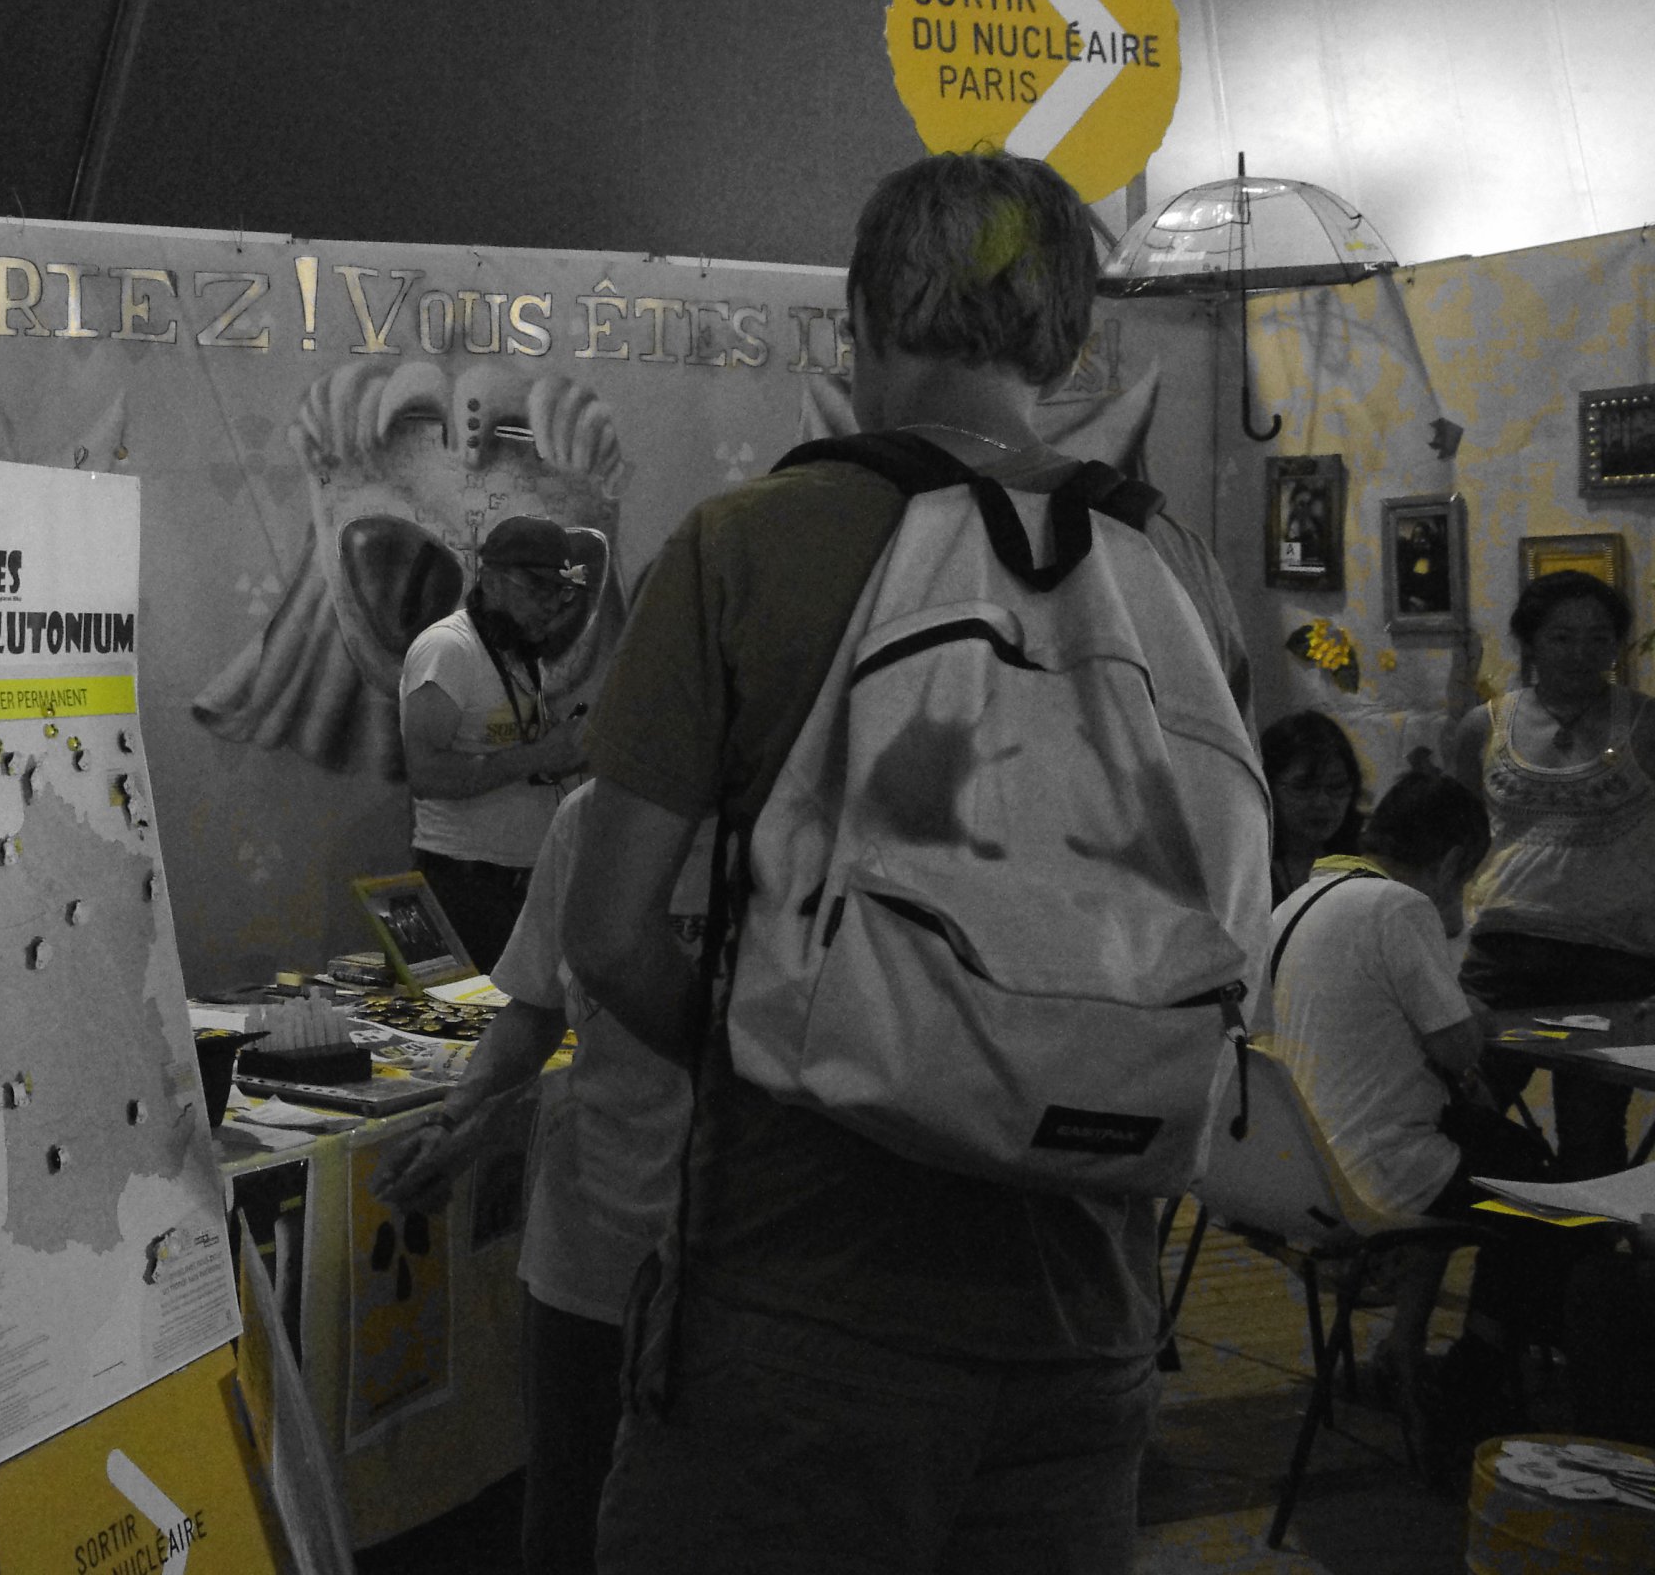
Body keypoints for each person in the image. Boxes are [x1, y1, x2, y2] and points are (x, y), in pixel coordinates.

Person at [562, 150, 1252, 1574]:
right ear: (1065, 336)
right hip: (1086, 1314)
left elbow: (611, 932)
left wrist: (791, 1043)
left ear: (863, 317)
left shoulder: (744, 546)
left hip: (802, 1306)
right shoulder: (1173, 567)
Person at [374, 786, 688, 1575]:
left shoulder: (799, 809)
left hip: (736, 1251)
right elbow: (535, 1008)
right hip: (586, 1241)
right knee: (567, 1516)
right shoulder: (589, 817)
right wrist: (457, 1118)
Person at [1252, 770, 1564, 1419]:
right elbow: (1457, 1049)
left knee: (1483, 1152)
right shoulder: (1397, 908)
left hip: (1294, 1165)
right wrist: (1472, 1012)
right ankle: (1479, 1372)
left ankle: (1407, 1346)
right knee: (1548, 1204)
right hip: (1373, 1170)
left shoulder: (1302, 900)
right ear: (1451, 862)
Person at [1447, 569, 1655, 1177]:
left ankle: (1586, 1238)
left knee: (1592, 1136)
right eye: (1562, 637)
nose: (1580, 653)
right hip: (1501, 958)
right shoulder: (1483, 727)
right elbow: (1454, 843)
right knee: (1460, 1110)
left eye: (1598, 638)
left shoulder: (1646, 725)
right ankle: (1496, 1227)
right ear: (1530, 641)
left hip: (1612, 961)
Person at [397, 516, 588, 970]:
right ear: (492, 579)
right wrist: (536, 757)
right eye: (537, 588)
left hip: (519, 885)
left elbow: (512, 753)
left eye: (561, 592)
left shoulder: (518, 653)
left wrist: (563, 756)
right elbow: (425, 774)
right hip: (464, 887)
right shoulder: (449, 649)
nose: (551, 606)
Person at [1263, 709, 1366, 903]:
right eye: (1303, 787)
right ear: (1269, 787)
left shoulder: (1362, 868)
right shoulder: (1249, 870)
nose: (1321, 803)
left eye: (1337, 786)